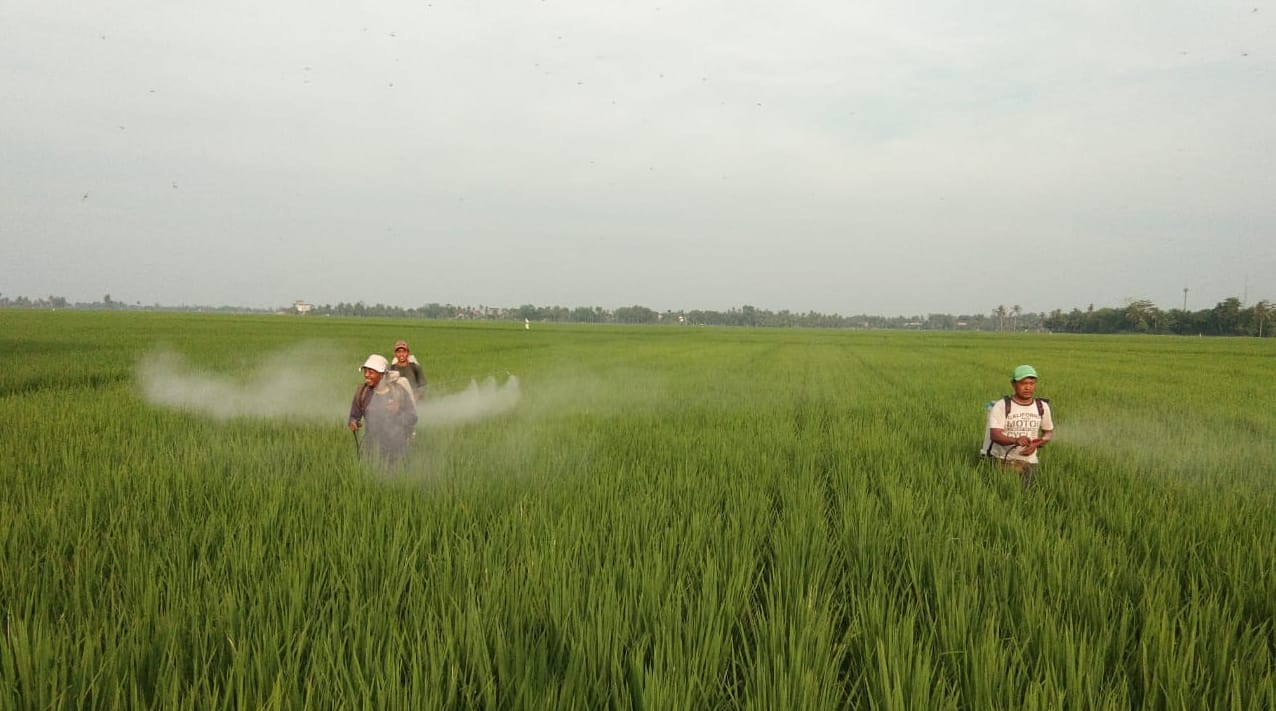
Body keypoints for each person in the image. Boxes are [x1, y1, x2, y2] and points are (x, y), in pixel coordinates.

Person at [985, 364, 1054, 487]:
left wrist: (1036, 444)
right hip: (1002, 460)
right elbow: (995, 435)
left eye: (1031, 383)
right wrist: (1015, 440)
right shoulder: (1002, 406)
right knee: (1001, 495)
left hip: (1029, 462)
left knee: (1028, 494)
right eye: (1023, 383)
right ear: (1013, 384)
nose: (1028, 387)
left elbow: (1048, 432)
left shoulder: (1042, 406)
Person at [348, 354, 417, 465]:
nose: (366, 375)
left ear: (382, 375)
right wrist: (353, 422)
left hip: (397, 449)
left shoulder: (399, 392)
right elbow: (354, 415)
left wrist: (398, 410)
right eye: (365, 371)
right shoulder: (362, 392)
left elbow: (413, 417)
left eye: (371, 372)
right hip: (371, 448)